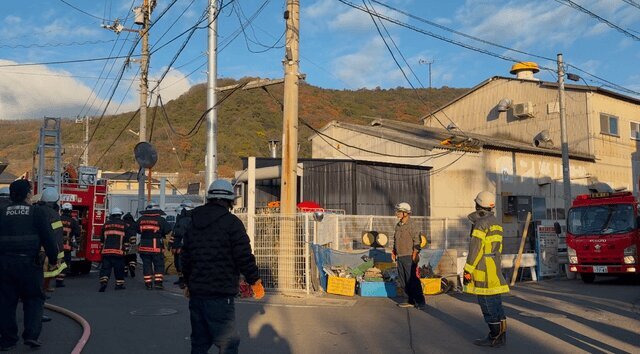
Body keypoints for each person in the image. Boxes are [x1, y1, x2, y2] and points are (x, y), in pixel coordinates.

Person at [182, 179, 264, 354]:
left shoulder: (193, 222)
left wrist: (188, 282)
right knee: (228, 343)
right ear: (230, 201)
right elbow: (243, 256)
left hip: (197, 294)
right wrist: (254, 280)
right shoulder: (232, 223)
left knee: (199, 342)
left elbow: (186, 256)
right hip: (220, 293)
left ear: (210, 197)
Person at [0, 180, 58, 350]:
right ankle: (31, 335)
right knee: (33, 299)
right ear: (27, 194)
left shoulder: (1, 213)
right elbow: (48, 238)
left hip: (5, 265)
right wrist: (53, 260)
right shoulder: (36, 212)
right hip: (30, 265)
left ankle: (8, 339)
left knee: (6, 302)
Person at [463, 191, 509, 347]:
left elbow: (475, 249)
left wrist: (468, 270)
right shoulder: (496, 222)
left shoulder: (481, 223)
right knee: (496, 303)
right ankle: (501, 336)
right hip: (494, 268)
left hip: (483, 269)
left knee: (487, 305)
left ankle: (494, 336)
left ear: (478, 205)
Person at [391, 202, 426, 310]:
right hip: (400, 256)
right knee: (403, 280)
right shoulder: (398, 225)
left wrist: (415, 254)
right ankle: (409, 300)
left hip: (409, 256)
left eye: (399, 211)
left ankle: (420, 301)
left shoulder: (412, 225)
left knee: (413, 280)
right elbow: (395, 240)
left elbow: (417, 241)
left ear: (405, 213)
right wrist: (394, 252)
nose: (397, 213)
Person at [36, 188, 65, 293]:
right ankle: (41, 291)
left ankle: (41, 289)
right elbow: (57, 235)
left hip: (34, 247)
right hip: (47, 248)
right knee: (47, 271)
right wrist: (58, 252)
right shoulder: (53, 214)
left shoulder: (35, 209)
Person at [137, 202, 169, 290]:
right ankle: (158, 283)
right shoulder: (160, 219)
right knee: (158, 265)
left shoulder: (141, 219)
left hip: (144, 247)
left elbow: (137, 230)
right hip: (156, 247)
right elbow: (167, 229)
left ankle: (148, 283)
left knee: (146, 265)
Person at [98, 208, 132, 292]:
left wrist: (102, 249)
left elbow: (102, 238)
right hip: (118, 252)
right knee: (119, 269)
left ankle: (104, 282)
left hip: (106, 252)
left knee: (105, 268)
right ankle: (119, 285)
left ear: (111, 215)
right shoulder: (124, 225)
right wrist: (126, 249)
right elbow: (127, 239)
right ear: (120, 215)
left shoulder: (105, 225)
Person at [170, 200, 194, 289]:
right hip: (178, 245)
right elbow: (175, 233)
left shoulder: (187, 220)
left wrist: (179, 245)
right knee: (177, 264)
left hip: (183, 246)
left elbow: (180, 233)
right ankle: (181, 279)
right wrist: (171, 243)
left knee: (181, 264)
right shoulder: (181, 220)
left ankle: (184, 280)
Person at [59, 203, 80, 288]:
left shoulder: (57, 219)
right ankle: (59, 281)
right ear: (71, 211)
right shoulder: (73, 222)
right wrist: (76, 243)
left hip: (56, 246)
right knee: (64, 264)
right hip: (67, 247)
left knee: (55, 262)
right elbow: (78, 233)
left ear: (62, 210)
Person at [122, 212, 138, 278]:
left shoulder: (122, 224)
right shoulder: (134, 224)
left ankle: (125, 272)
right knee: (133, 257)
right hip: (133, 244)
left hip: (124, 244)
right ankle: (132, 267)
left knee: (124, 258)